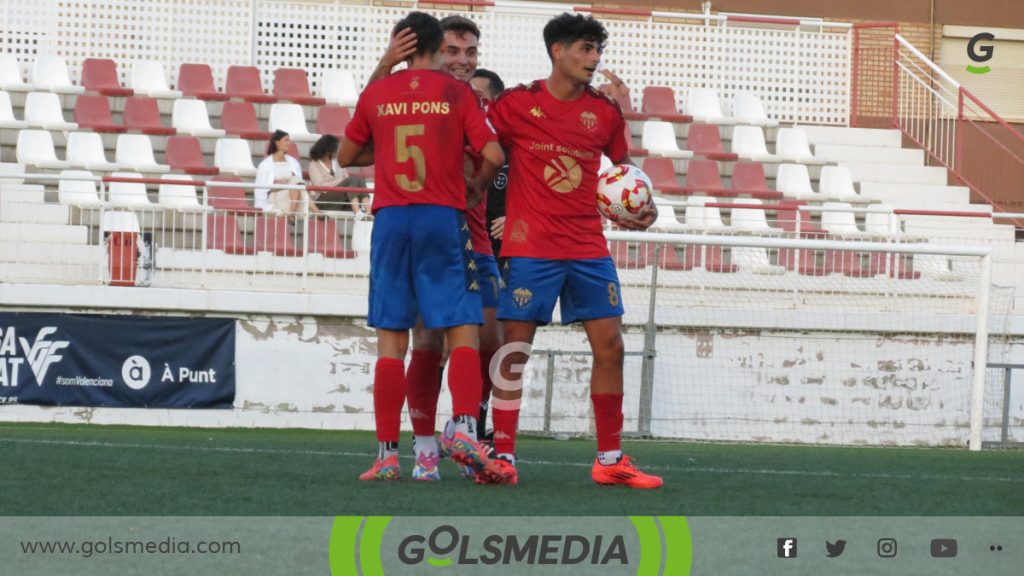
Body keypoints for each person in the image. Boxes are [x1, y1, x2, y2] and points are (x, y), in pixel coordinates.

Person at [485, 13, 662, 488]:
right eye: (585, 49)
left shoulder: (604, 111)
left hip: (588, 246)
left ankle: (609, 459)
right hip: (530, 247)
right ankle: (503, 456)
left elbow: (626, 174)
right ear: (557, 51)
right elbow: (482, 151)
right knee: (514, 350)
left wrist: (644, 208)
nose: (594, 58)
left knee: (612, 347)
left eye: (597, 49)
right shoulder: (516, 104)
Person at [338, 11, 505, 482]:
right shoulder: (456, 94)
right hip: (441, 216)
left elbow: (345, 157)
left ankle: (389, 456)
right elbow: (494, 153)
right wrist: (476, 187)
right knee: (462, 329)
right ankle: (468, 429)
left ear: (403, 47)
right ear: (437, 47)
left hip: (391, 219)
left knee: (392, 341)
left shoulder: (378, 93)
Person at [471, 68, 509, 260]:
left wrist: (516, 219)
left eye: (478, 98)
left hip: (505, 250)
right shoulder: (456, 145)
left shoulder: (517, 146)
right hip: (465, 244)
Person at [307, 134, 371, 215]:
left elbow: (346, 179)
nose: (338, 150)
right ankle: (357, 211)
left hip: (341, 198)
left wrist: (342, 181)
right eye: (336, 148)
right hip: (323, 200)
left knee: (359, 179)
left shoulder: (338, 162)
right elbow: (320, 186)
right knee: (350, 180)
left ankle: (368, 211)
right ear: (328, 149)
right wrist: (340, 181)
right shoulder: (314, 164)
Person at [254, 130, 313, 215]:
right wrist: (284, 185)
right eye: (286, 140)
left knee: (296, 182)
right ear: (277, 143)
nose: (289, 143)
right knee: (295, 182)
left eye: (289, 140)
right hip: (275, 199)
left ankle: (293, 213)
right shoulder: (265, 165)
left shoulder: (293, 162)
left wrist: (285, 183)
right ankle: (316, 211)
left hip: (292, 198)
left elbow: (299, 184)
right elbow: (262, 189)